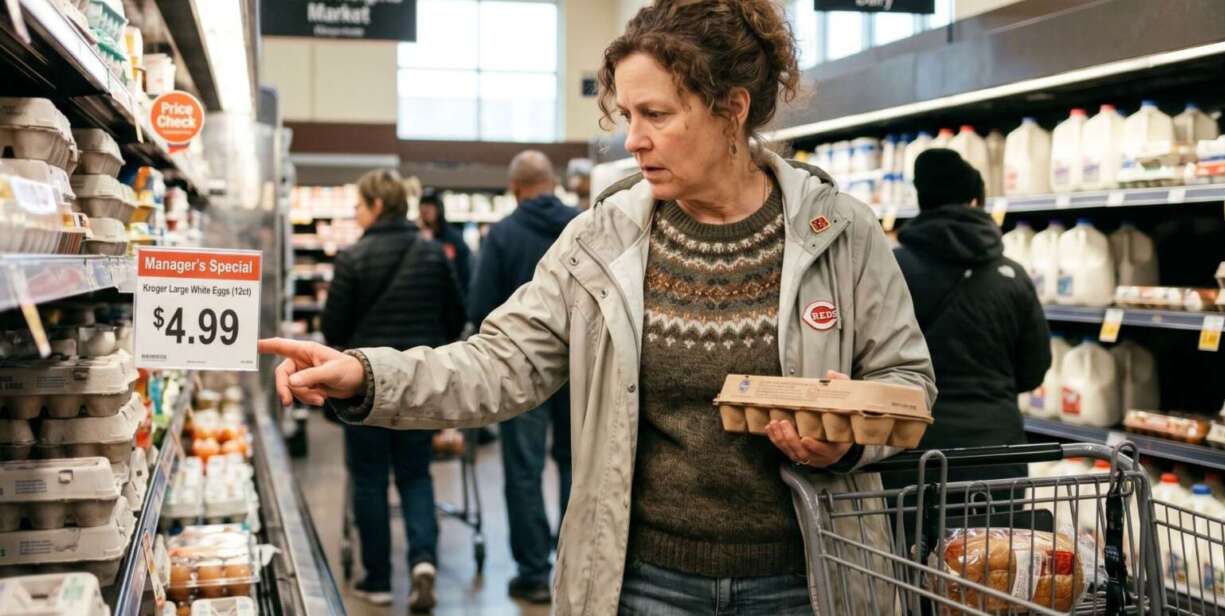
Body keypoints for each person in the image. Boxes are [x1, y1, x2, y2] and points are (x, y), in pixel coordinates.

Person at [259, 1, 935, 613]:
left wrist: (850, 433)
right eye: (627, 116)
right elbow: (501, 362)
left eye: (657, 115)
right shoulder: (601, 237)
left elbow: (909, 381)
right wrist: (367, 376)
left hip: (809, 578)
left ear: (732, 108)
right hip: (642, 580)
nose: (632, 139)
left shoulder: (840, 232)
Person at [319, 169, 466, 612]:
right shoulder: (433, 254)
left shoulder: (352, 259)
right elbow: (455, 317)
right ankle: (423, 563)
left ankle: (378, 578)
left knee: (368, 479)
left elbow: (333, 329)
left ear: (377, 206)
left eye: (360, 205)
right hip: (419, 387)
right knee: (415, 474)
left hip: (363, 389)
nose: (357, 214)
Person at [883, 148, 1051, 496]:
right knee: (997, 549)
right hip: (997, 453)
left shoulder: (890, 271)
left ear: (922, 199)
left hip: (912, 452)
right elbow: (1034, 370)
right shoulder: (1012, 276)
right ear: (975, 200)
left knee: (911, 548)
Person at [468, 150, 578, 604]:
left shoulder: (503, 235)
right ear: (553, 182)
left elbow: (479, 308)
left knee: (524, 471)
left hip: (522, 373)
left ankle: (533, 573)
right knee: (581, 465)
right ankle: (576, 565)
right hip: (583, 371)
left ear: (515, 189)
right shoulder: (586, 225)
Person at [418, 186, 474, 295]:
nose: (425, 210)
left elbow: (464, 273)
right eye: (423, 206)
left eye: (430, 205)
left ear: (439, 208)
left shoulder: (454, 238)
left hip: (450, 297)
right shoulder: (417, 237)